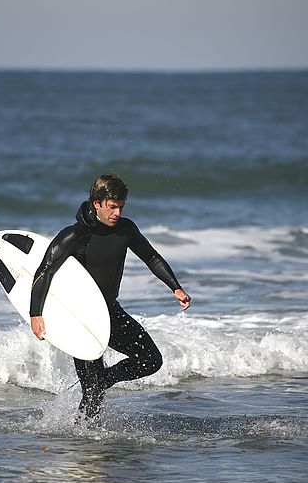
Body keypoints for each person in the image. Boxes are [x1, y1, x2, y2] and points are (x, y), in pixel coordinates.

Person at [29, 174, 191, 420]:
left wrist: (175, 287)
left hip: (109, 310)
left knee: (150, 360)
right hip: (81, 318)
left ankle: (101, 384)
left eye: (121, 207)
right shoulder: (74, 235)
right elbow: (44, 270)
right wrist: (35, 313)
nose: (117, 213)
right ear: (97, 203)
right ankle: (83, 442)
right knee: (92, 394)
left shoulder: (126, 230)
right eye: (112, 207)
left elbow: (151, 257)